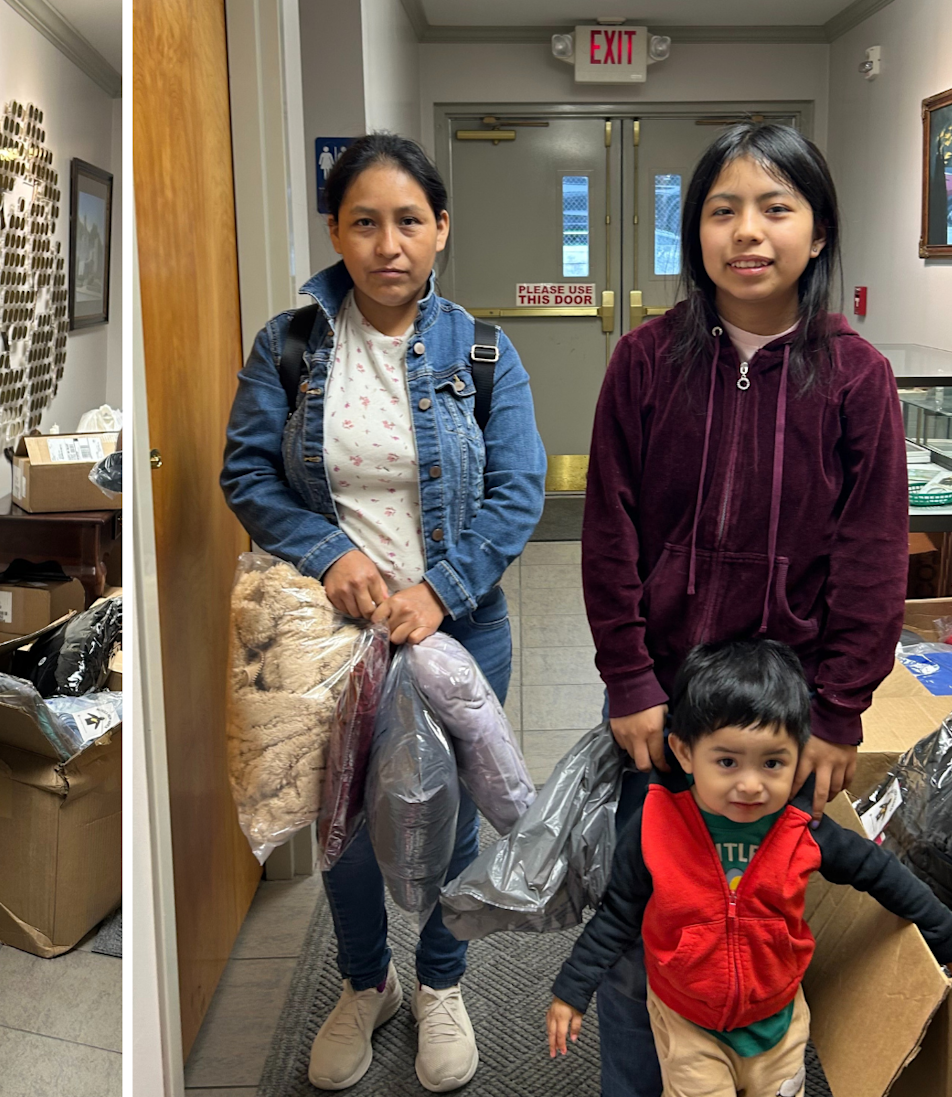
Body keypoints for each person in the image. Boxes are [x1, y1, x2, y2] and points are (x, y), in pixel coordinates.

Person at [580, 121, 909, 1096]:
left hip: (783, 717)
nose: (749, 231)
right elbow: (609, 533)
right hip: (664, 713)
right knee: (646, 923)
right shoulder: (644, 362)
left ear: (818, 229)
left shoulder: (857, 378)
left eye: (776, 207)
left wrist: (841, 707)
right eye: (723, 209)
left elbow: (871, 555)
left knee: (758, 925)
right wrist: (631, 679)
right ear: (695, 233)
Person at [220, 132, 546, 1092]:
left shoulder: (484, 352)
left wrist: (441, 587)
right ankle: (368, 979)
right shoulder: (288, 344)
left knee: (451, 812)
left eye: (410, 220)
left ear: (442, 229)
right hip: (330, 638)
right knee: (348, 820)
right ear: (336, 231)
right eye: (365, 222)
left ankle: (443, 981)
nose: (388, 243)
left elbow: (520, 488)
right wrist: (331, 555)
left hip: (461, 626)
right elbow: (246, 471)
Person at [544, 639, 952, 1096]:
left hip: (778, 1019)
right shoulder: (655, 825)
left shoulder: (802, 829)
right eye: (727, 762)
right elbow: (618, 913)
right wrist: (572, 989)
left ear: (799, 757)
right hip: (688, 1019)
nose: (751, 785)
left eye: (773, 762)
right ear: (684, 752)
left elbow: (882, 873)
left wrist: (947, 936)